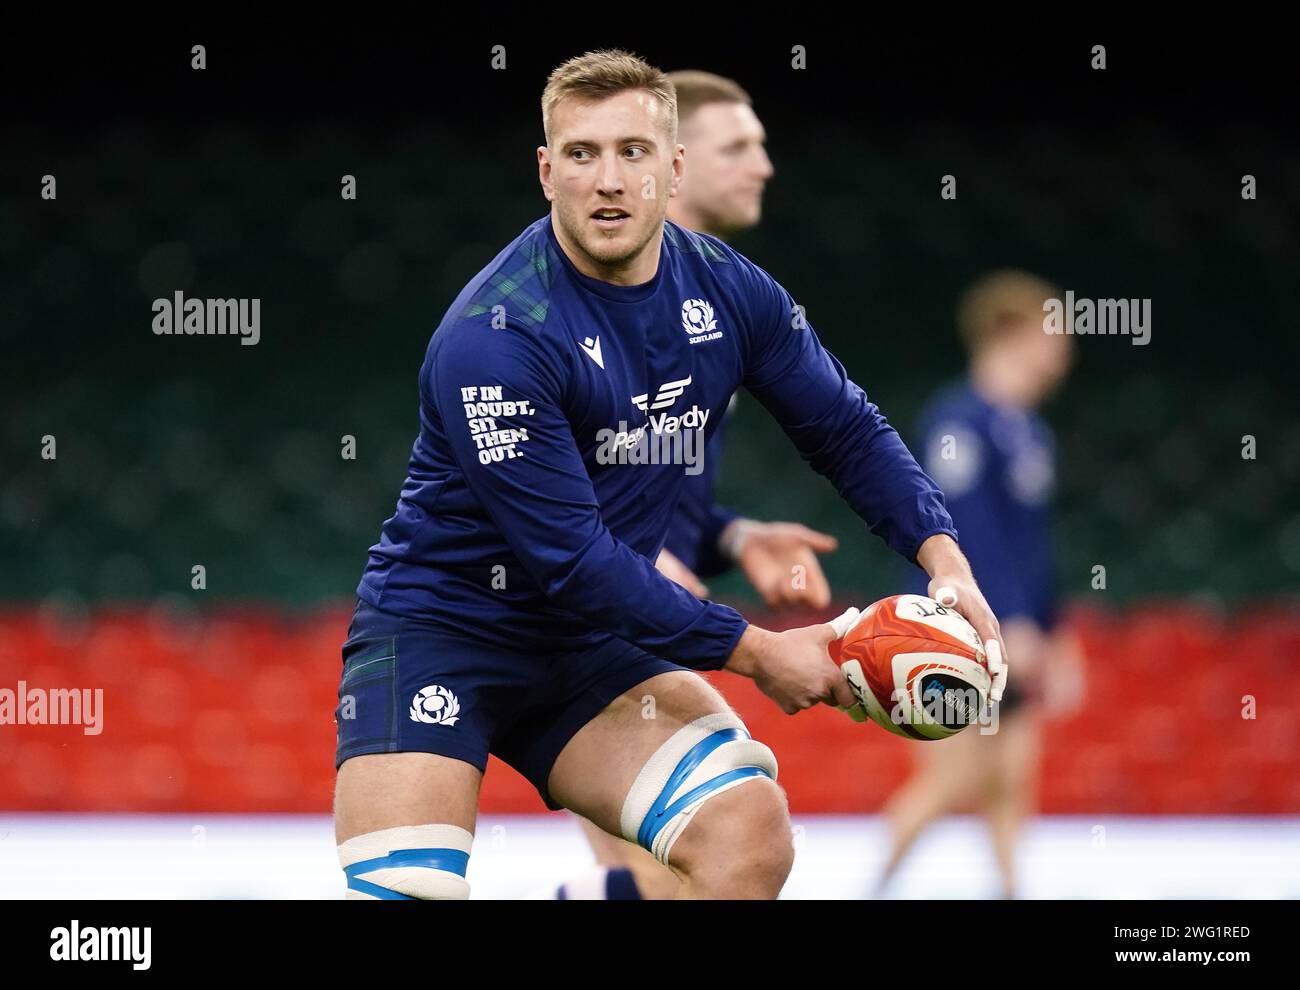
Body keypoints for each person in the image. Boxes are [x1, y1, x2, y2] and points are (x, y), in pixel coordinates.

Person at [333, 48, 1005, 901]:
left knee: (748, 844)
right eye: (581, 154)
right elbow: (573, 560)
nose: (607, 179)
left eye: (633, 152)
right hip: (440, 635)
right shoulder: (495, 337)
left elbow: (843, 427)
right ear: (546, 172)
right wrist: (758, 652)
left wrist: (943, 556)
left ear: (670, 167)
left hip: (586, 652)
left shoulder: (730, 290)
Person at [558, 69, 841, 901]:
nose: (763, 163)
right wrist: (636, 566)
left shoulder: (711, 294)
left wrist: (732, 536)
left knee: (669, 878)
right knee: (715, 859)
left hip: (643, 615)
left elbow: (653, 483)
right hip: (588, 627)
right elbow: (543, 492)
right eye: (739, 146)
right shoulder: (580, 300)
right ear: (677, 164)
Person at [876, 270, 1086, 900]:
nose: (1065, 348)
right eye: (1053, 331)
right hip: (957, 630)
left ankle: (1009, 890)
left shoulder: (1028, 431)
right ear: (1010, 333)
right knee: (949, 780)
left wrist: (1056, 632)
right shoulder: (959, 421)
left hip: (1017, 629)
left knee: (1013, 781)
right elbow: (966, 535)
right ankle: (874, 887)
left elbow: (1032, 546)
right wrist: (1013, 621)